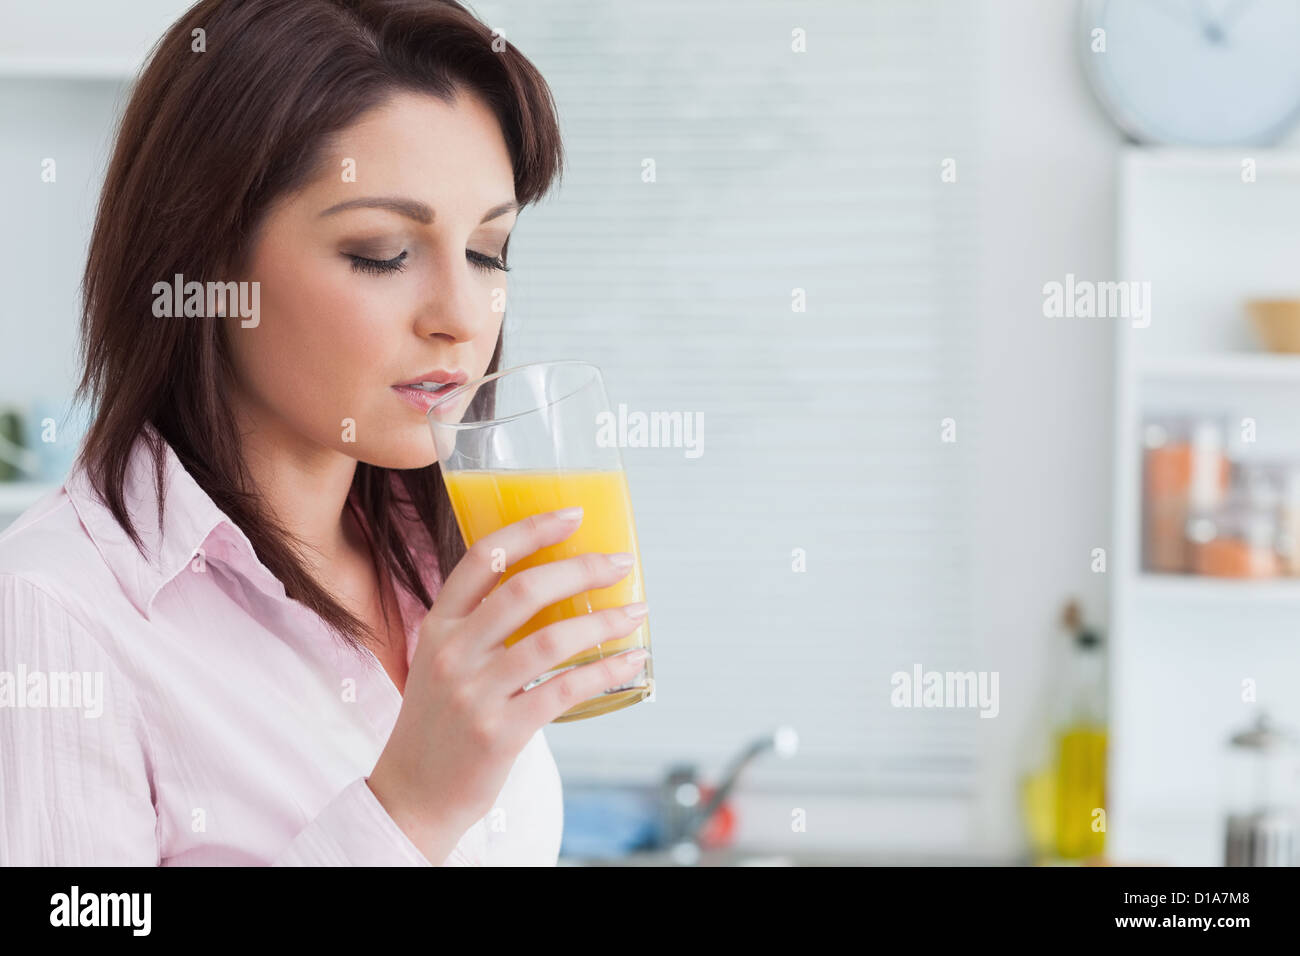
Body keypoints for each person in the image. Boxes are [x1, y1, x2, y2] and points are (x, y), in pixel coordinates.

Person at [0, 0, 647, 866]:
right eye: (381, 251)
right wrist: (406, 810)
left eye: (489, 251)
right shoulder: (53, 612)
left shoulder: (440, 555)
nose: (461, 316)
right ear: (205, 262)